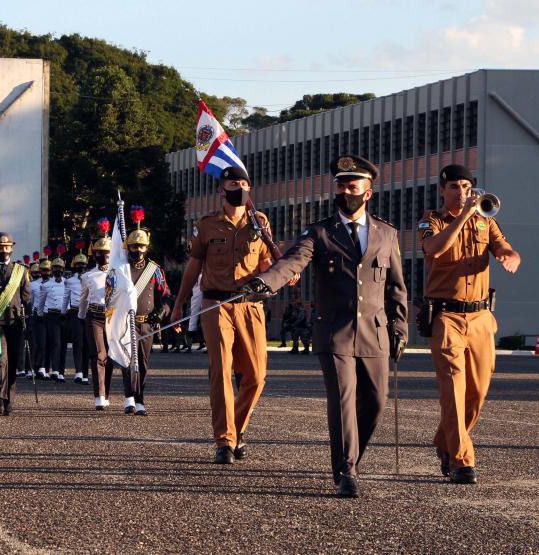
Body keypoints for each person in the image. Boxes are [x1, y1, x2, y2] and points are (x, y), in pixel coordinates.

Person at [246, 154, 408, 497]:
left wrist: (400, 328)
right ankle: (346, 469)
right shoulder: (319, 231)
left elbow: (396, 287)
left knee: (376, 403)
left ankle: (351, 460)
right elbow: (293, 261)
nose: (344, 191)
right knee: (344, 400)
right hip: (334, 332)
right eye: (339, 185)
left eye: (352, 185)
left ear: (368, 191)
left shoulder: (386, 233)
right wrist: (265, 282)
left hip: (376, 332)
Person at [419, 164, 520, 484]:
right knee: (453, 389)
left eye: (466, 186)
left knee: (477, 392)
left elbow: (501, 244)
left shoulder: (485, 219)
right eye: (454, 187)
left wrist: (509, 254)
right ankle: (462, 460)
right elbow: (435, 249)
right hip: (447, 318)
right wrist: (463, 215)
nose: (461, 192)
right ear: (442, 190)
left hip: (480, 318)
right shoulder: (431, 219)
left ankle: (444, 442)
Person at [171, 165, 273, 463]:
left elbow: (266, 262)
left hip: (251, 305)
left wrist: (280, 275)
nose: (237, 187)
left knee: (256, 376)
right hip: (216, 306)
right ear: (221, 190)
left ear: (249, 189)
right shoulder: (207, 225)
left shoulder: (260, 222)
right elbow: (193, 266)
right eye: (232, 183)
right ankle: (225, 440)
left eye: (242, 182)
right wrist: (179, 303)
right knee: (221, 372)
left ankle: (237, 429)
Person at [123, 206, 171, 416]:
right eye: (134, 247)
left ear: (147, 248)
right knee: (128, 360)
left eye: (142, 247)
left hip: (146, 322)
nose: (138, 251)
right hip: (125, 321)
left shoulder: (155, 270)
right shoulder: (121, 269)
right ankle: (131, 398)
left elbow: (166, 296)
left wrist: (161, 313)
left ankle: (140, 396)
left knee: (142, 362)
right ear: (128, 247)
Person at [0, 232, 32, 415]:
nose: (3, 251)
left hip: (15, 323)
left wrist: (29, 323)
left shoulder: (20, 271)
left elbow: (27, 299)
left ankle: (9, 398)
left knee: (13, 362)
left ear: (11, 248)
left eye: (6, 247)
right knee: (0, 361)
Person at [78, 223, 113, 410]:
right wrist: (81, 317)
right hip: (94, 316)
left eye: (106, 252)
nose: (103, 256)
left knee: (110, 356)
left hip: (112, 317)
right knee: (99, 354)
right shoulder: (88, 276)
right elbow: (83, 299)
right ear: (94, 255)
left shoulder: (118, 273)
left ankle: (106, 391)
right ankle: (99, 395)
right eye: (99, 253)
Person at [38, 256, 67, 382]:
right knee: (55, 342)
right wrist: (40, 315)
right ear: (52, 269)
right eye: (55, 267)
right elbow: (41, 301)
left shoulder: (68, 282)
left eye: (60, 268)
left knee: (63, 344)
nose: (58, 270)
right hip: (51, 315)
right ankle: (54, 370)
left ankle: (61, 372)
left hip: (65, 316)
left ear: (63, 269)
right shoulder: (46, 285)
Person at [63, 253, 90, 384]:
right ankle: (78, 372)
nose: (81, 267)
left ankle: (85, 373)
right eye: (79, 264)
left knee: (87, 344)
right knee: (78, 342)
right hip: (75, 312)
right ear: (74, 266)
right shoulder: (69, 281)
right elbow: (66, 297)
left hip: (88, 313)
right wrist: (64, 312)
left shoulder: (91, 278)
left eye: (83, 264)